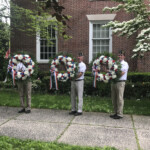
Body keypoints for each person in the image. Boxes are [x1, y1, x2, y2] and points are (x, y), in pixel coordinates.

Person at [110, 50, 129, 119]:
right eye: (119, 55)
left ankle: (120, 114)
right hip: (114, 82)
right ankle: (115, 112)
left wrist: (113, 75)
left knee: (120, 98)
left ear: (124, 56)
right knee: (114, 98)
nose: (120, 56)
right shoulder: (116, 63)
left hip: (120, 82)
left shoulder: (125, 64)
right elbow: (112, 71)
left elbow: (122, 73)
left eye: (121, 55)